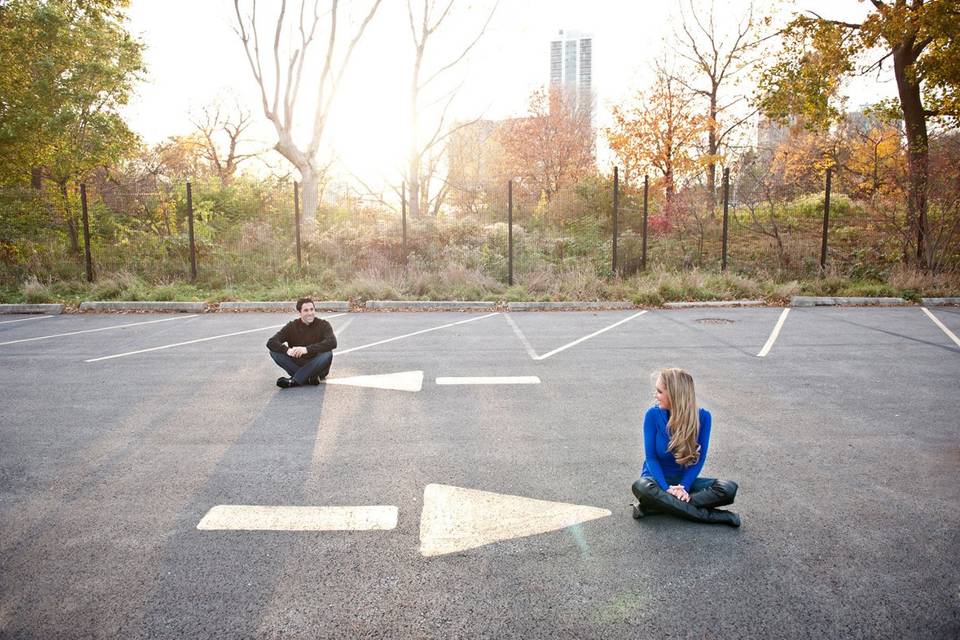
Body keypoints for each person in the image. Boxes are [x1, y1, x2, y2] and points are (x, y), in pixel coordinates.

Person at [630, 368, 741, 527]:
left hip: (683, 484)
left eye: (660, 391)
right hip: (656, 482)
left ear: (674, 395)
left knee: (728, 488)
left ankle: (657, 507)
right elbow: (651, 458)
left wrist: (684, 486)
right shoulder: (652, 415)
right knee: (640, 486)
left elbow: (699, 458)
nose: (655, 395)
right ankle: (714, 517)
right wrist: (667, 489)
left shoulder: (703, 417)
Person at [266, 298, 337, 389]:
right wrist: (287, 350)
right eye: (306, 310)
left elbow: (332, 342)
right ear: (299, 313)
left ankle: (295, 381)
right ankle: (309, 378)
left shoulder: (323, 324)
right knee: (274, 351)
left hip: (318, 367)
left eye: (312, 309)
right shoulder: (291, 327)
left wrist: (306, 349)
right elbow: (271, 342)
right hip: (298, 364)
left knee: (327, 353)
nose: (310, 313)